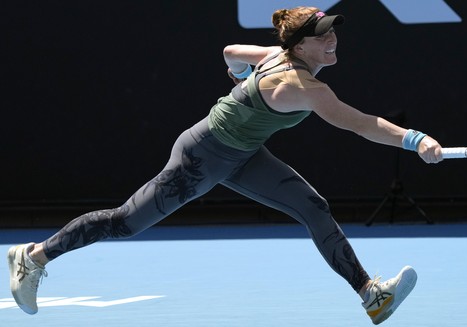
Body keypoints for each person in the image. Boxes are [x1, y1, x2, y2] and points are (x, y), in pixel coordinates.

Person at [7, 6, 443, 325]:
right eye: (323, 35)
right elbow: (362, 125)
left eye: (333, 32)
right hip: (202, 155)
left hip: (244, 155)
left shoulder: (276, 55)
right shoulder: (305, 87)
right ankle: (34, 256)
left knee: (313, 206)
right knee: (126, 222)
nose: (332, 40)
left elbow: (230, 49)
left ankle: (371, 295)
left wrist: (237, 75)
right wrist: (416, 140)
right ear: (300, 45)